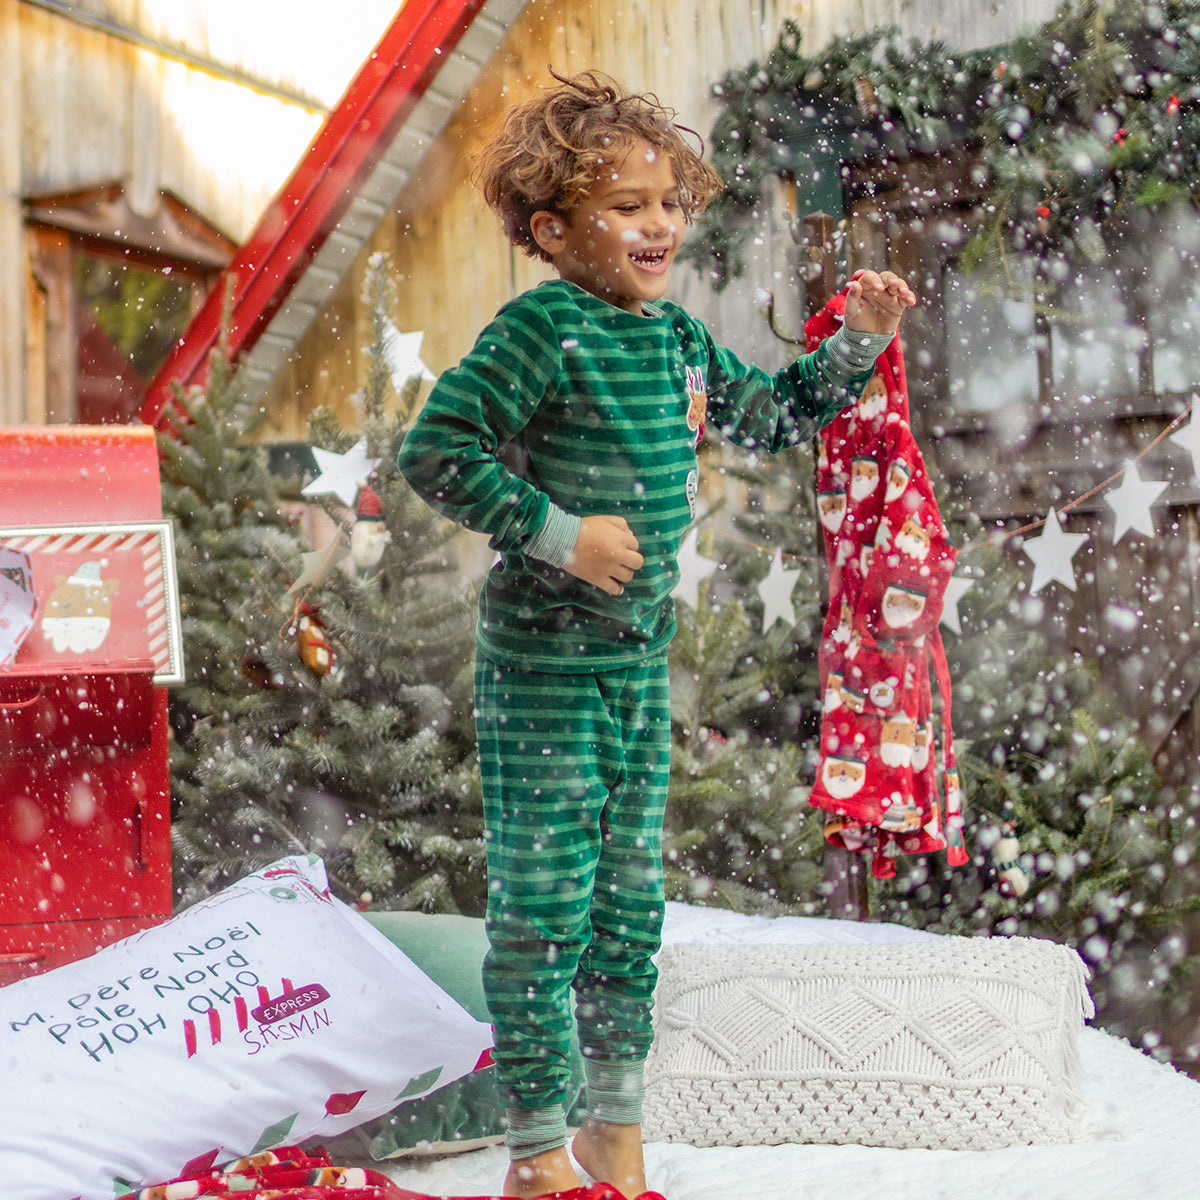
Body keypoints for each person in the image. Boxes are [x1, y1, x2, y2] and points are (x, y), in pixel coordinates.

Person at [396, 69, 915, 1200]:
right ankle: (538, 1146)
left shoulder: (676, 336)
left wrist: (858, 341)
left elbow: (769, 415)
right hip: (541, 672)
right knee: (544, 909)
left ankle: (614, 1138)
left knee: (629, 907)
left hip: (636, 673)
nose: (661, 224)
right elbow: (435, 451)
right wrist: (553, 531)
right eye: (628, 204)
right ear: (552, 226)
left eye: (670, 202)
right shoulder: (543, 328)